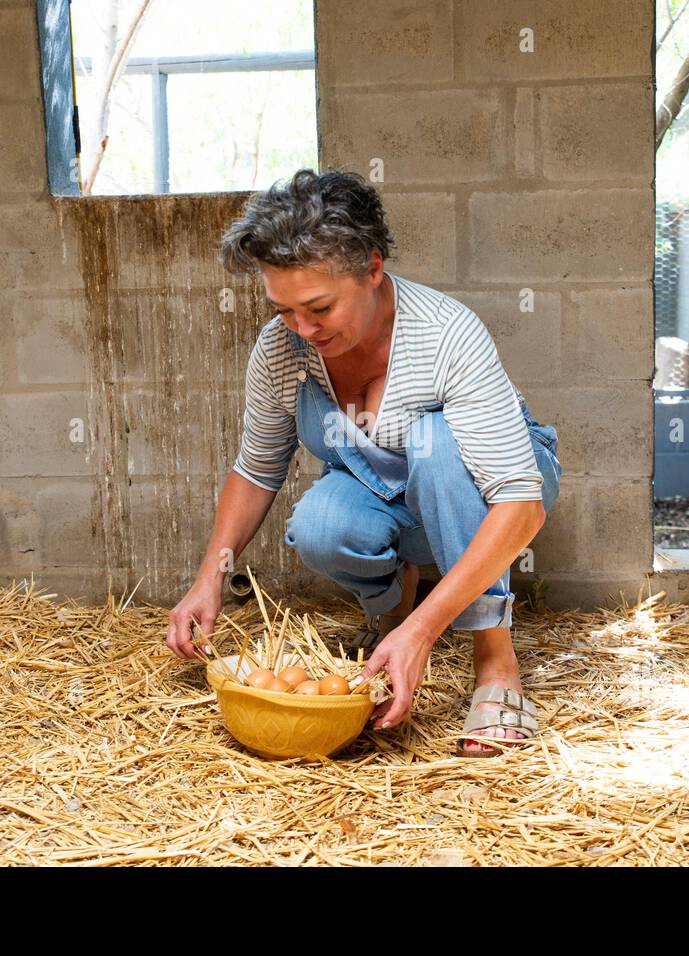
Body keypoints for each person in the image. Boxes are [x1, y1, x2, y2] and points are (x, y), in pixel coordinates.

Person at [165, 169, 561, 756]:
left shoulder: (446, 333)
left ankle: (495, 662)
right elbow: (257, 468)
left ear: (373, 268)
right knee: (322, 523)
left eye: (318, 307)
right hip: (383, 489)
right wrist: (209, 579)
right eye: (284, 309)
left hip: (490, 493)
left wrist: (427, 632)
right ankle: (390, 615)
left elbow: (520, 504)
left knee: (439, 443)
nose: (301, 329)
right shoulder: (282, 347)